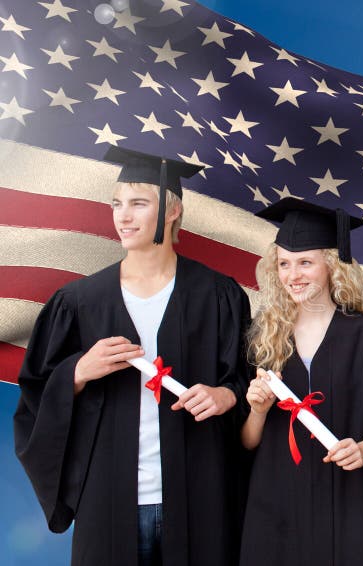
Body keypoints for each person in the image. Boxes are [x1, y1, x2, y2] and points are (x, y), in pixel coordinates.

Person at [14, 146, 252, 566]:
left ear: (173, 210)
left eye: (138, 204)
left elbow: (248, 381)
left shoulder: (219, 296)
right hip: (109, 499)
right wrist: (77, 372)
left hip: (201, 497)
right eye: (117, 204)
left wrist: (226, 395)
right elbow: (35, 393)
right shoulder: (79, 302)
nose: (123, 216)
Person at [239, 198, 363, 566]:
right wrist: (258, 410)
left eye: (305, 262)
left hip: (351, 501)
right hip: (278, 504)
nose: (293, 275)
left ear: (331, 266)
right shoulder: (265, 338)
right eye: (284, 264)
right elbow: (247, 441)